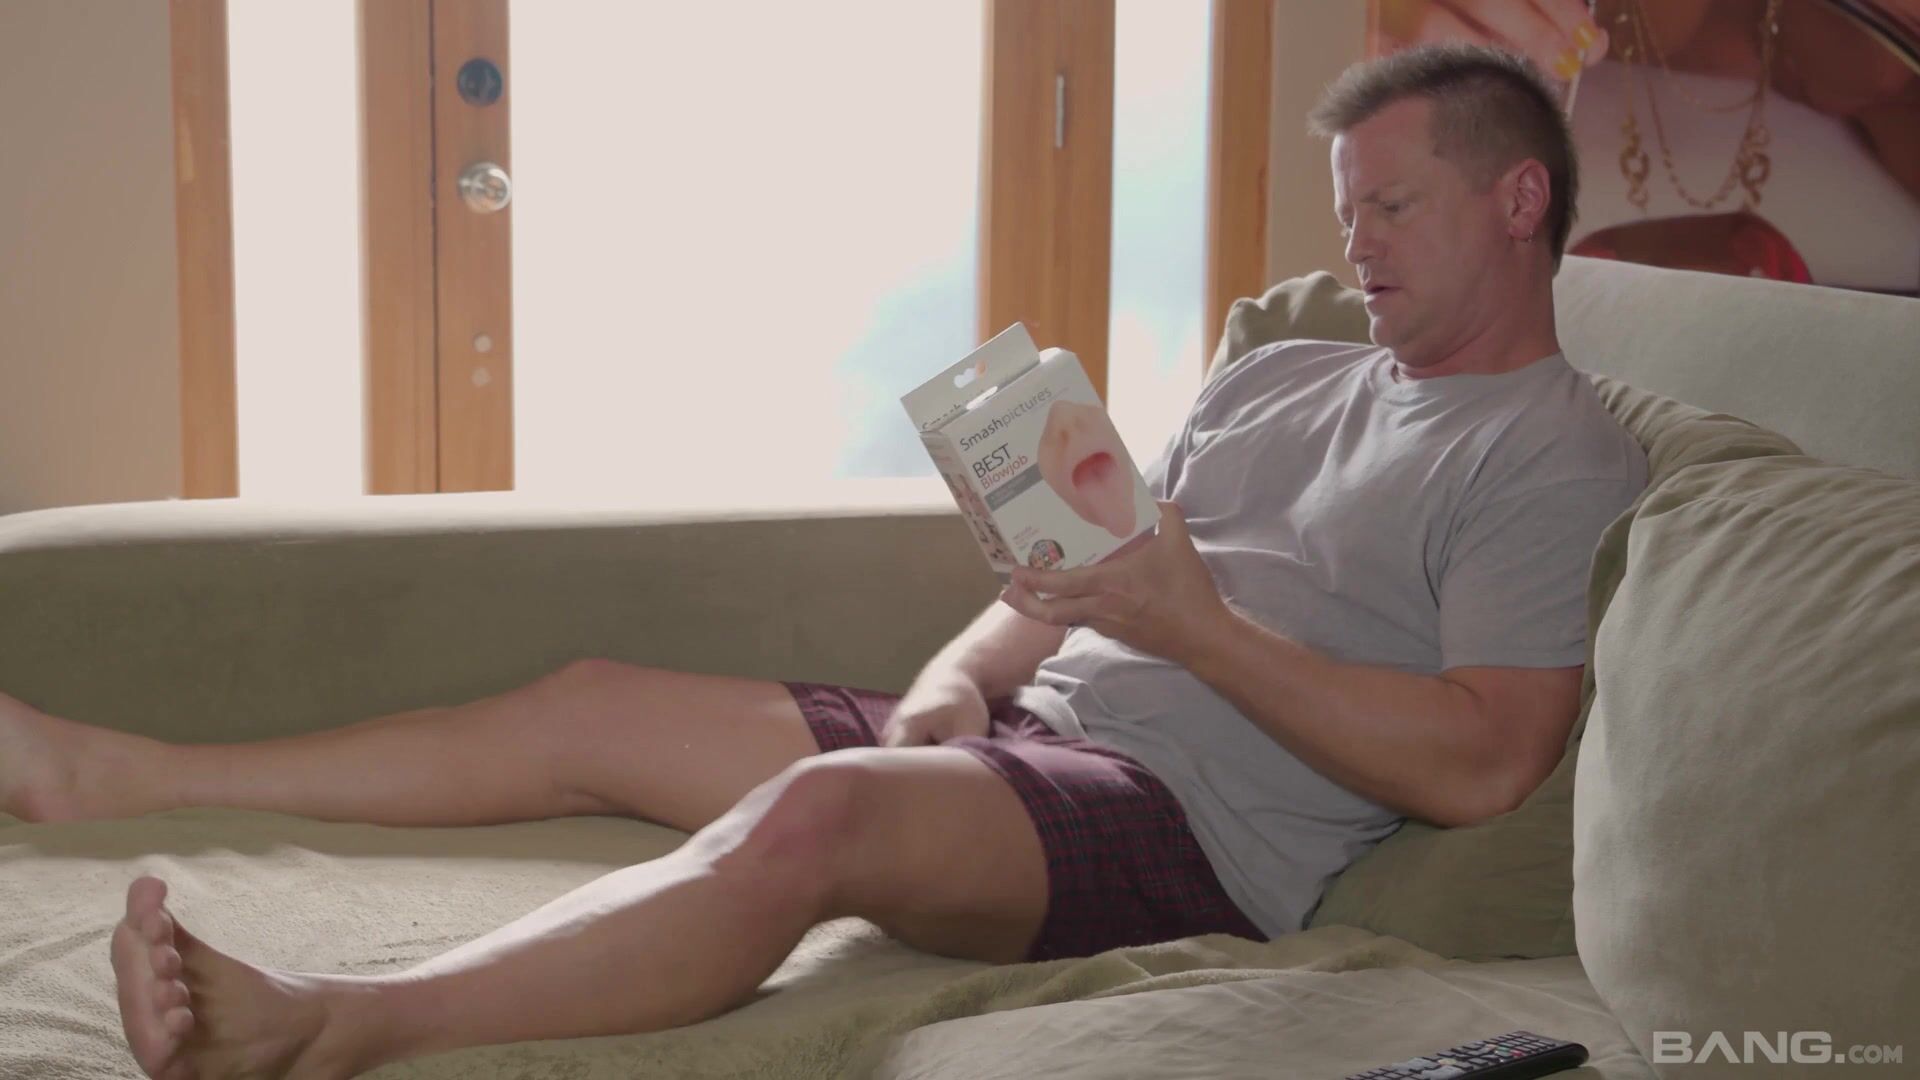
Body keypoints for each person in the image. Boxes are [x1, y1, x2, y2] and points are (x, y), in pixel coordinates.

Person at [0, 42, 1648, 1080]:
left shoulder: (1551, 448)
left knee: (817, 819)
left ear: (1520, 201)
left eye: (1394, 209)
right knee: (591, 703)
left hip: (1188, 828)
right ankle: (121, 774)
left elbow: (1484, 762)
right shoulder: (1283, 372)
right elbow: (1083, 574)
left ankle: (333, 1023)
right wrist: (954, 680)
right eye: (1346, 210)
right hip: (1031, 742)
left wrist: (1196, 630)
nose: (1354, 244)